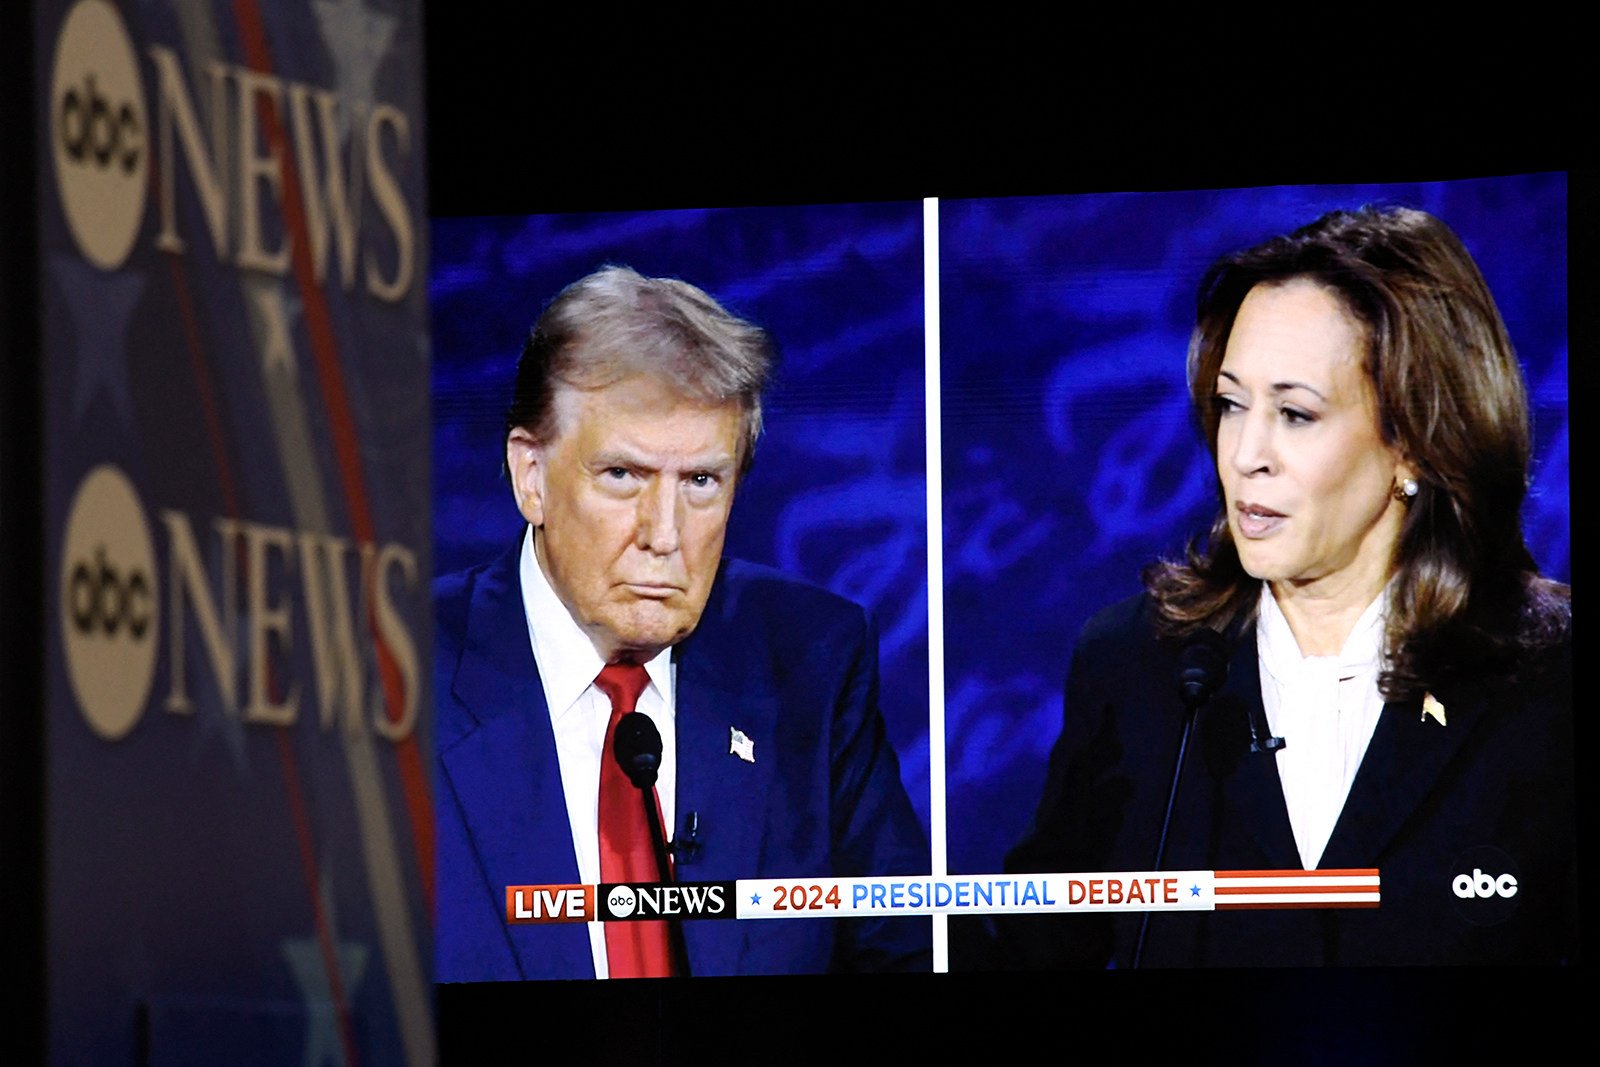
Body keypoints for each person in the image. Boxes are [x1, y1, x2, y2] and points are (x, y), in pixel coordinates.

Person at [1003, 206, 1574, 967]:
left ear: (1413, 441)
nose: (1245, 454)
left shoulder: (1547, 679)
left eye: (1295, 413)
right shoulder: (1136, 663)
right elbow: (1031, 949)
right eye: (1233, 404)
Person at [435, 265, 930, 981]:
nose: (664, 534)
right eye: (623, 475)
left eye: (701, 482)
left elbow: (907, 950)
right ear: (531, 475)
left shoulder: (811, 661)